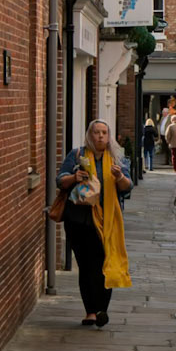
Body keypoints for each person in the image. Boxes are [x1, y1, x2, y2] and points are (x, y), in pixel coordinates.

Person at [56, 119, 132, 328]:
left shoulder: (116, 158)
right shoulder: (77, 155)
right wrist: (74, 177)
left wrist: (119, 177)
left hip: (107, 221)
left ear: (109, 136)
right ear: (90, 135)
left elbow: (127, 187)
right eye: (96, 132)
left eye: (104, 132)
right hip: (79, 220)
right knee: (86, 265)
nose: (100, 136)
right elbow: (60, 180)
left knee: (104, 265)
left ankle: (101, 310)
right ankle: (90, 311)